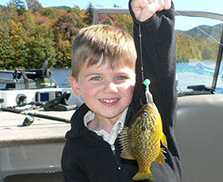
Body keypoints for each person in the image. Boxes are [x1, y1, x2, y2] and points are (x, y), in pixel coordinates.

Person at [61, 0, 182, 181]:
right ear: (76, 86)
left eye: (120, 77)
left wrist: (150, 22)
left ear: (137, 79)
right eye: (96, 78)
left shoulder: (154, 112)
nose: (110, 88)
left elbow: (160, 69)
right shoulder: (74, 149)